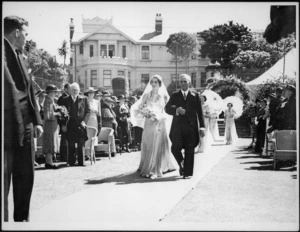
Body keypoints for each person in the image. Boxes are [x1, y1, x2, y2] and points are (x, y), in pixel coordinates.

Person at [4, 15, 43, 222]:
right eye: (26, 33)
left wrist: (36, 121)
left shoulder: (22, 56)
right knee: (5, 182)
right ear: (17, 32)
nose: (27, 38)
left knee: (25, 179)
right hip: (8, 126)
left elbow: (29, 91)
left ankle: (22, 222)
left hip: (26, 126)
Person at [131, 74, 178, 179]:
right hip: (148, 122)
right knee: (148, 143)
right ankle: (146, 165)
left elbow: (166, 110)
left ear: (160, 83)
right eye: (152, 82)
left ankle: (158, 167)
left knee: (157, 144)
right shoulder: (146, 95)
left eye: (155, 82)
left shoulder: (164, 96)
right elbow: (140, 108)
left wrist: (159, 117)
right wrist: (145, 113)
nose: (153, 84)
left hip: (159, 122)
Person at [165, 74, 205, 179]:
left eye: (185, 81)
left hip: (191, 128)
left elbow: (200, 112)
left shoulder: (195, 95)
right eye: (181, 81)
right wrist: (176, 110)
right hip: (177, 128)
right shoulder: (175, 95)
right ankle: (182, 163)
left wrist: (202, 127)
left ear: (189, 82)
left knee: (190, 150)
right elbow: (167, 108)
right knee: (175, 148)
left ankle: (187, 172)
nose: (182, 83)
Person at [60, 82, 91, 166]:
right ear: (70, 90)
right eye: (73, 90)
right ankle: (72, 162)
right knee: (71, 144)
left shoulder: (84, 99)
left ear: (79, 90)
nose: (75, 92)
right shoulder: (65, 100)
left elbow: (88, 111)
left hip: (81, 125)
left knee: (81, 144)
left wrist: (84, 121)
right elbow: (61, 113)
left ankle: (81, 162)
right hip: (69, 125)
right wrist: (62, 124)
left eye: (76, 90)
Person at [43, 84, 62, 169]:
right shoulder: (48, 101)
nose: (55, 94)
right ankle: (49, 163)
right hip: (50, 124)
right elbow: (48, 115)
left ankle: (49, 162)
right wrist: (57, 113)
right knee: (50, 142)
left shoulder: (50, 100)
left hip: (52, 125)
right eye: (54, 92)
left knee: (51, 142)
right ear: (50, 92)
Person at [84, 87, 102, 159]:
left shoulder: (97, 102)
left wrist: (100, 122)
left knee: (93, 135)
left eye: (93, 93)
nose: (92, 94)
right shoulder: (85, 100)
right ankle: (86, 153)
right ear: (88, 94)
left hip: (94, 119)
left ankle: (92, 152)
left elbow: (99, 113)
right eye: (90, 93)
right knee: (87, 135)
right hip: (88, 119)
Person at [57, 83, 71, 161]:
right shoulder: (63, 98)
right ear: (65, 89)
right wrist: (62, 124)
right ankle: (64, 157)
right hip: (64, 122)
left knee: (65, 139)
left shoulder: (65, 97)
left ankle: (65, 156)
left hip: (66, 121)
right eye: (69, 89)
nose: (70, 90)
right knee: (64, 139)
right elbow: (61, 112)